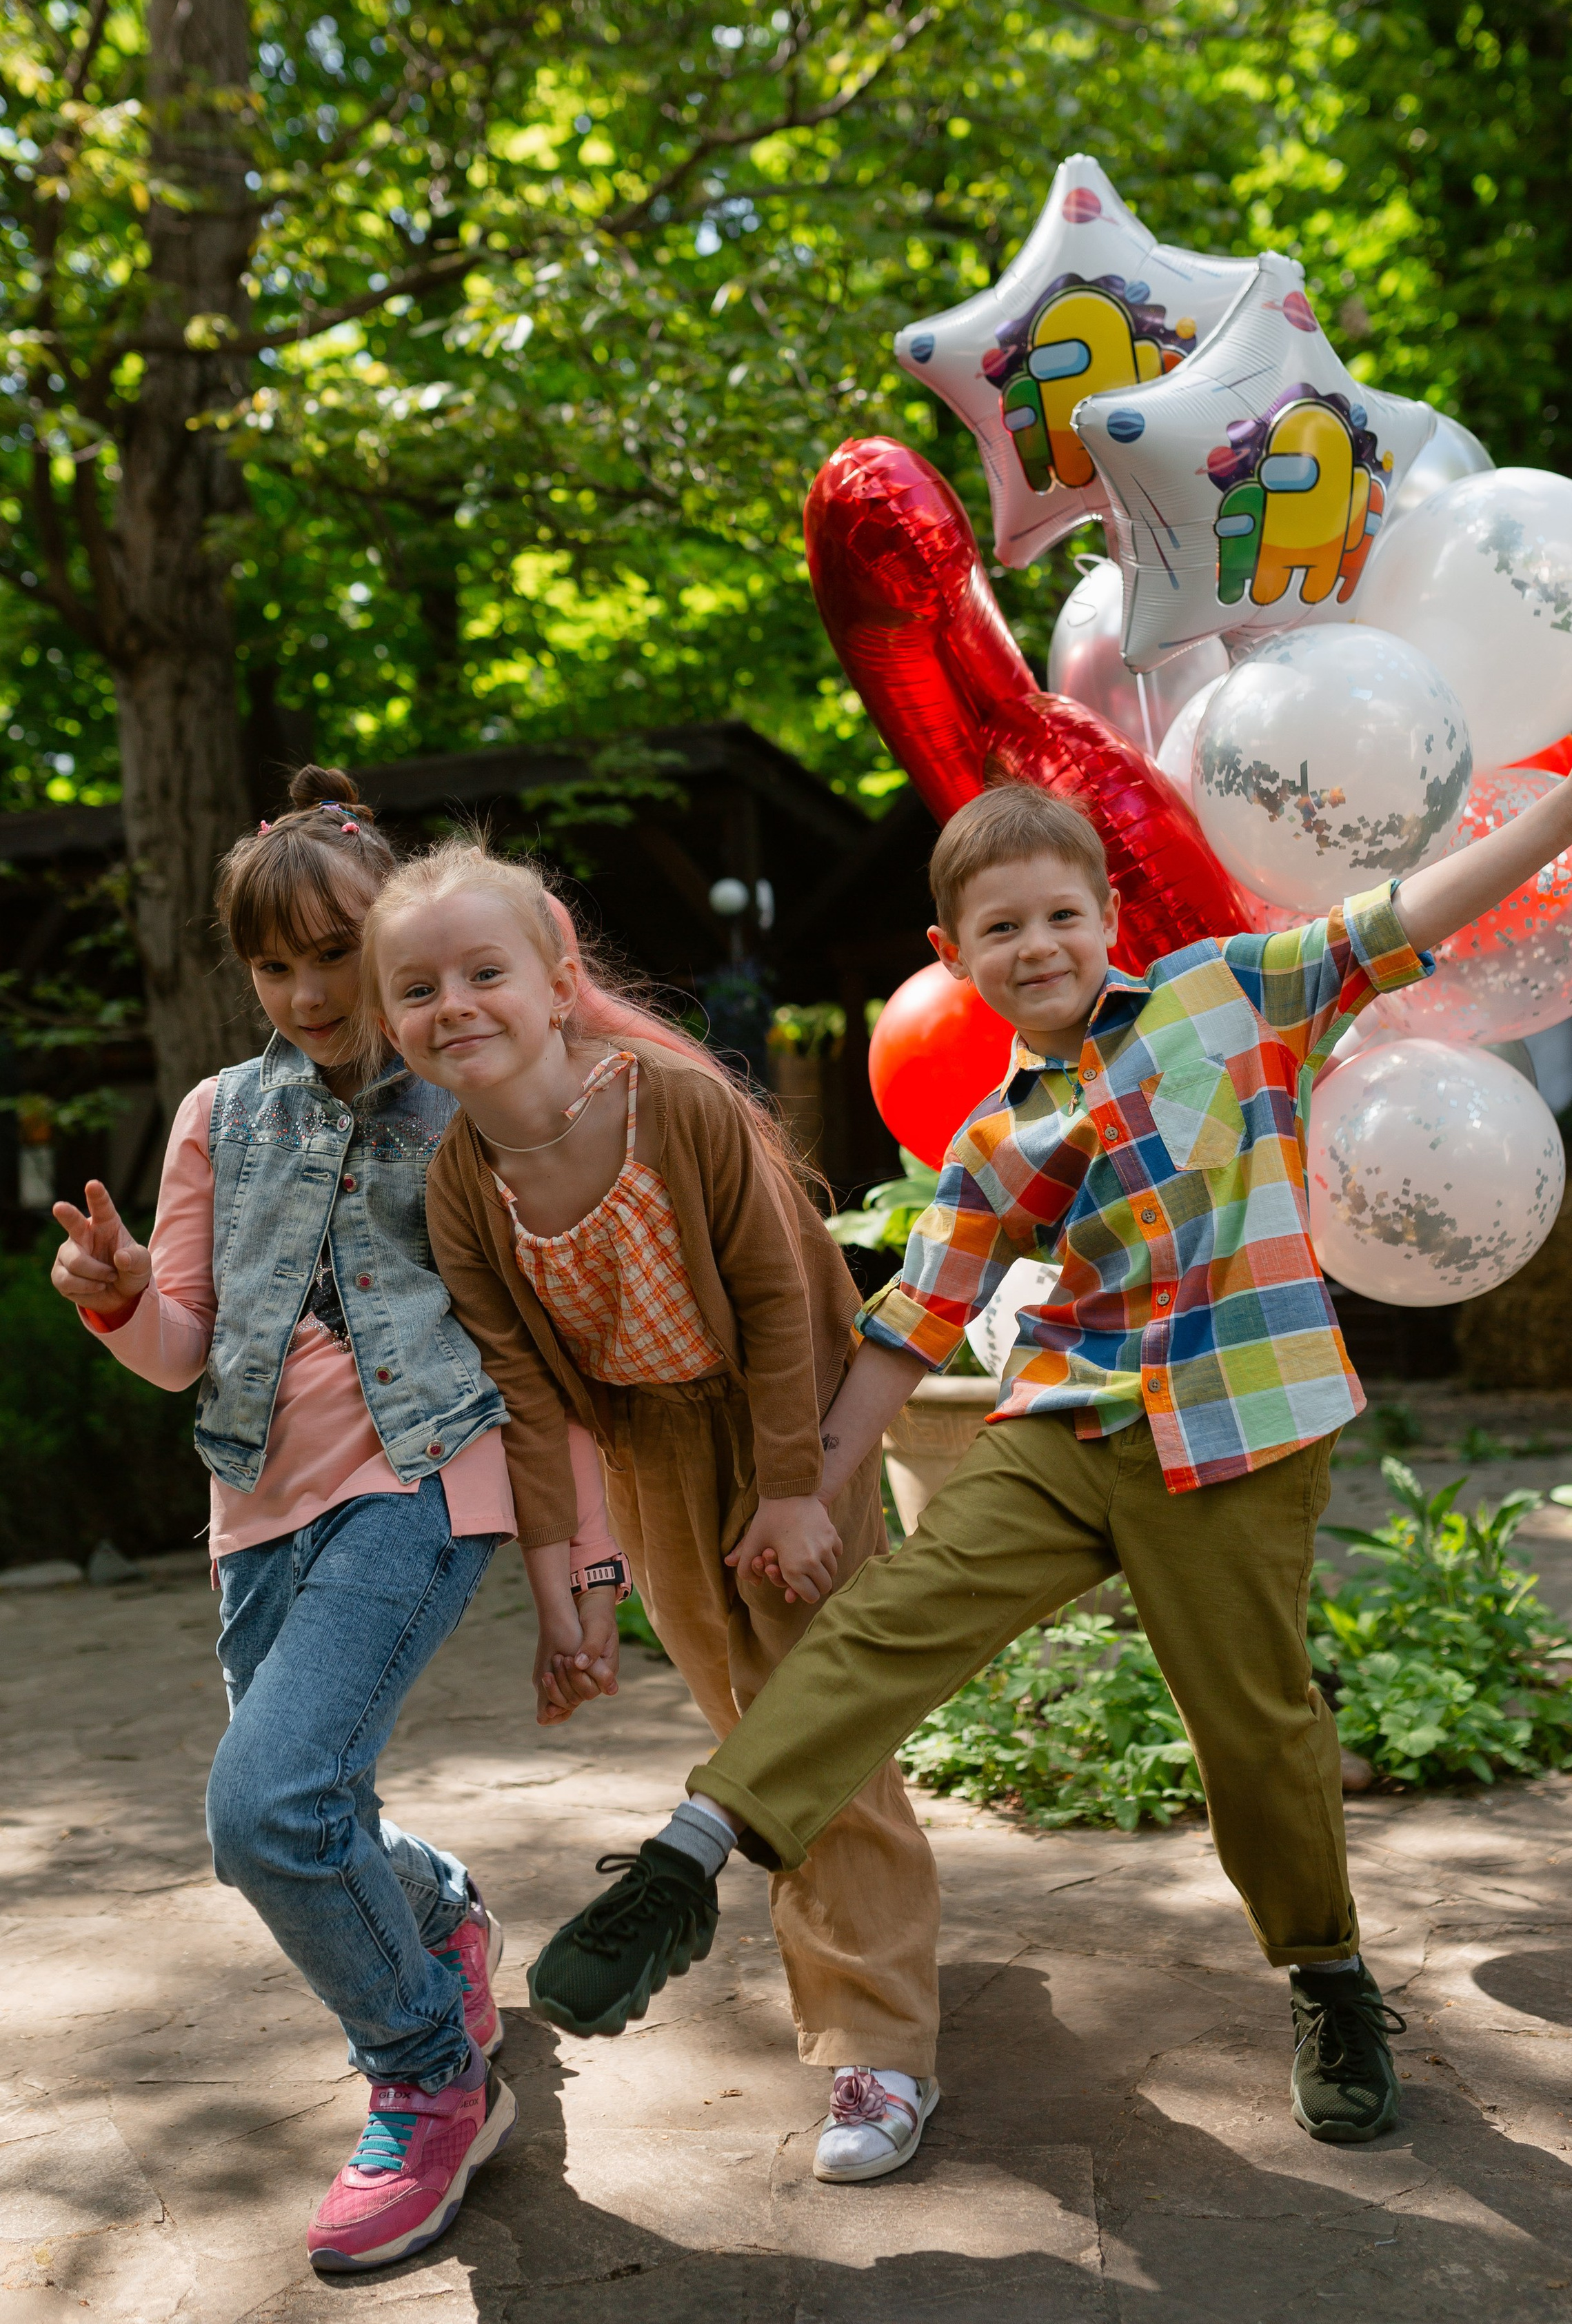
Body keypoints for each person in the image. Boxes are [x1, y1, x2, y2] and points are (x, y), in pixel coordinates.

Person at [526, 708, 1572, 2150]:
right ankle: (685, 1860)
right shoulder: (992, 1139)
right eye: (1000, 928)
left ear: (1107, 918)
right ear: (953, 956)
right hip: (1069, 1423)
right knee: (884, 1626)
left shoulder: (1226, 992)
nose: (1037, 945)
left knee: (1252, 1732)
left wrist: (1571, 811)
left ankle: (1327, 1976)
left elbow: (1401, 916)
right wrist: (802, 1490)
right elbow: (911, 1323)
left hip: (1239, 1427)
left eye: (1060, 915)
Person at [48, 767, 622, 2275]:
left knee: (264, 1811)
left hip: (424, 1482)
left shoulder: (472, 1096)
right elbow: (182, 1343)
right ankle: (442, 1915)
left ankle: (430, 2077)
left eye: (333, 955)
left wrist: (586, 1570)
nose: (307, 994)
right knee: (306, 1814)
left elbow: (556, 1354)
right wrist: (119, 1296)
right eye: (272, 964)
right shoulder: (216, 1113)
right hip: (255, 1505)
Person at [359, 836, 946, 2182]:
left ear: (559, 980)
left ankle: (879, 2041)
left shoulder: (671, 1105)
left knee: (807, 1718)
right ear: (390, 1022)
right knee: (750, 1721)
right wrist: (568, 1592)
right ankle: (880, 1938)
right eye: (418, 988)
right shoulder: (462, 1184)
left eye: (484, 971)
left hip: (786, 1419)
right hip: (651, 1451)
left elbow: (783, 1300)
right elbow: (527, 1401)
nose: (454, 1005)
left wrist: (796, 1490)